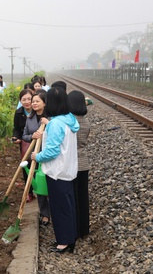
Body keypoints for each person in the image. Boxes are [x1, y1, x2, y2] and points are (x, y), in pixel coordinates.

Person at [31, 87, 79, 253]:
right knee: (68, 205)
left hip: (57, 171)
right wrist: (49, 124)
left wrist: (37, 156)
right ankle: (70, 237)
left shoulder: (56, 124)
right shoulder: (69, 119)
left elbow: (52, 151)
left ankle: (64, 242)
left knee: (59, 208)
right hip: (68, 170)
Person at [22, 90, 50, 225]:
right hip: (35, 155)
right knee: (39, 185)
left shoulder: (51, 118)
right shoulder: (30, 119)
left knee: (51, 184)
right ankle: (45, 214)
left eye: (37, 101)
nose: (34, 103)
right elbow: (24, 135)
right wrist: (32, 136)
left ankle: (55, 211)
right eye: (33, 101)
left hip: (50, 156)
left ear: (45, 103)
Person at [68, 90, 91, 239]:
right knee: (83, 197)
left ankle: (74, 229)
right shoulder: (85, 121)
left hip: (71, 163)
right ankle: (84, 228)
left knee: (73, 198)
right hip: (83, 162)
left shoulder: (70, 122)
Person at [13, 88, 35, 202]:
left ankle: (40, 189)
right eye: (24, 100)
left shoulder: (38, 111)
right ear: (20, 101)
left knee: (38, 166)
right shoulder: (19, 113)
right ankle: (29, 192)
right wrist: (15, 137)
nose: (27, 102)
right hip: (25, 142)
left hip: (38, 141)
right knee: (26, 166)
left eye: (29, 99)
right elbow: (16, 129)